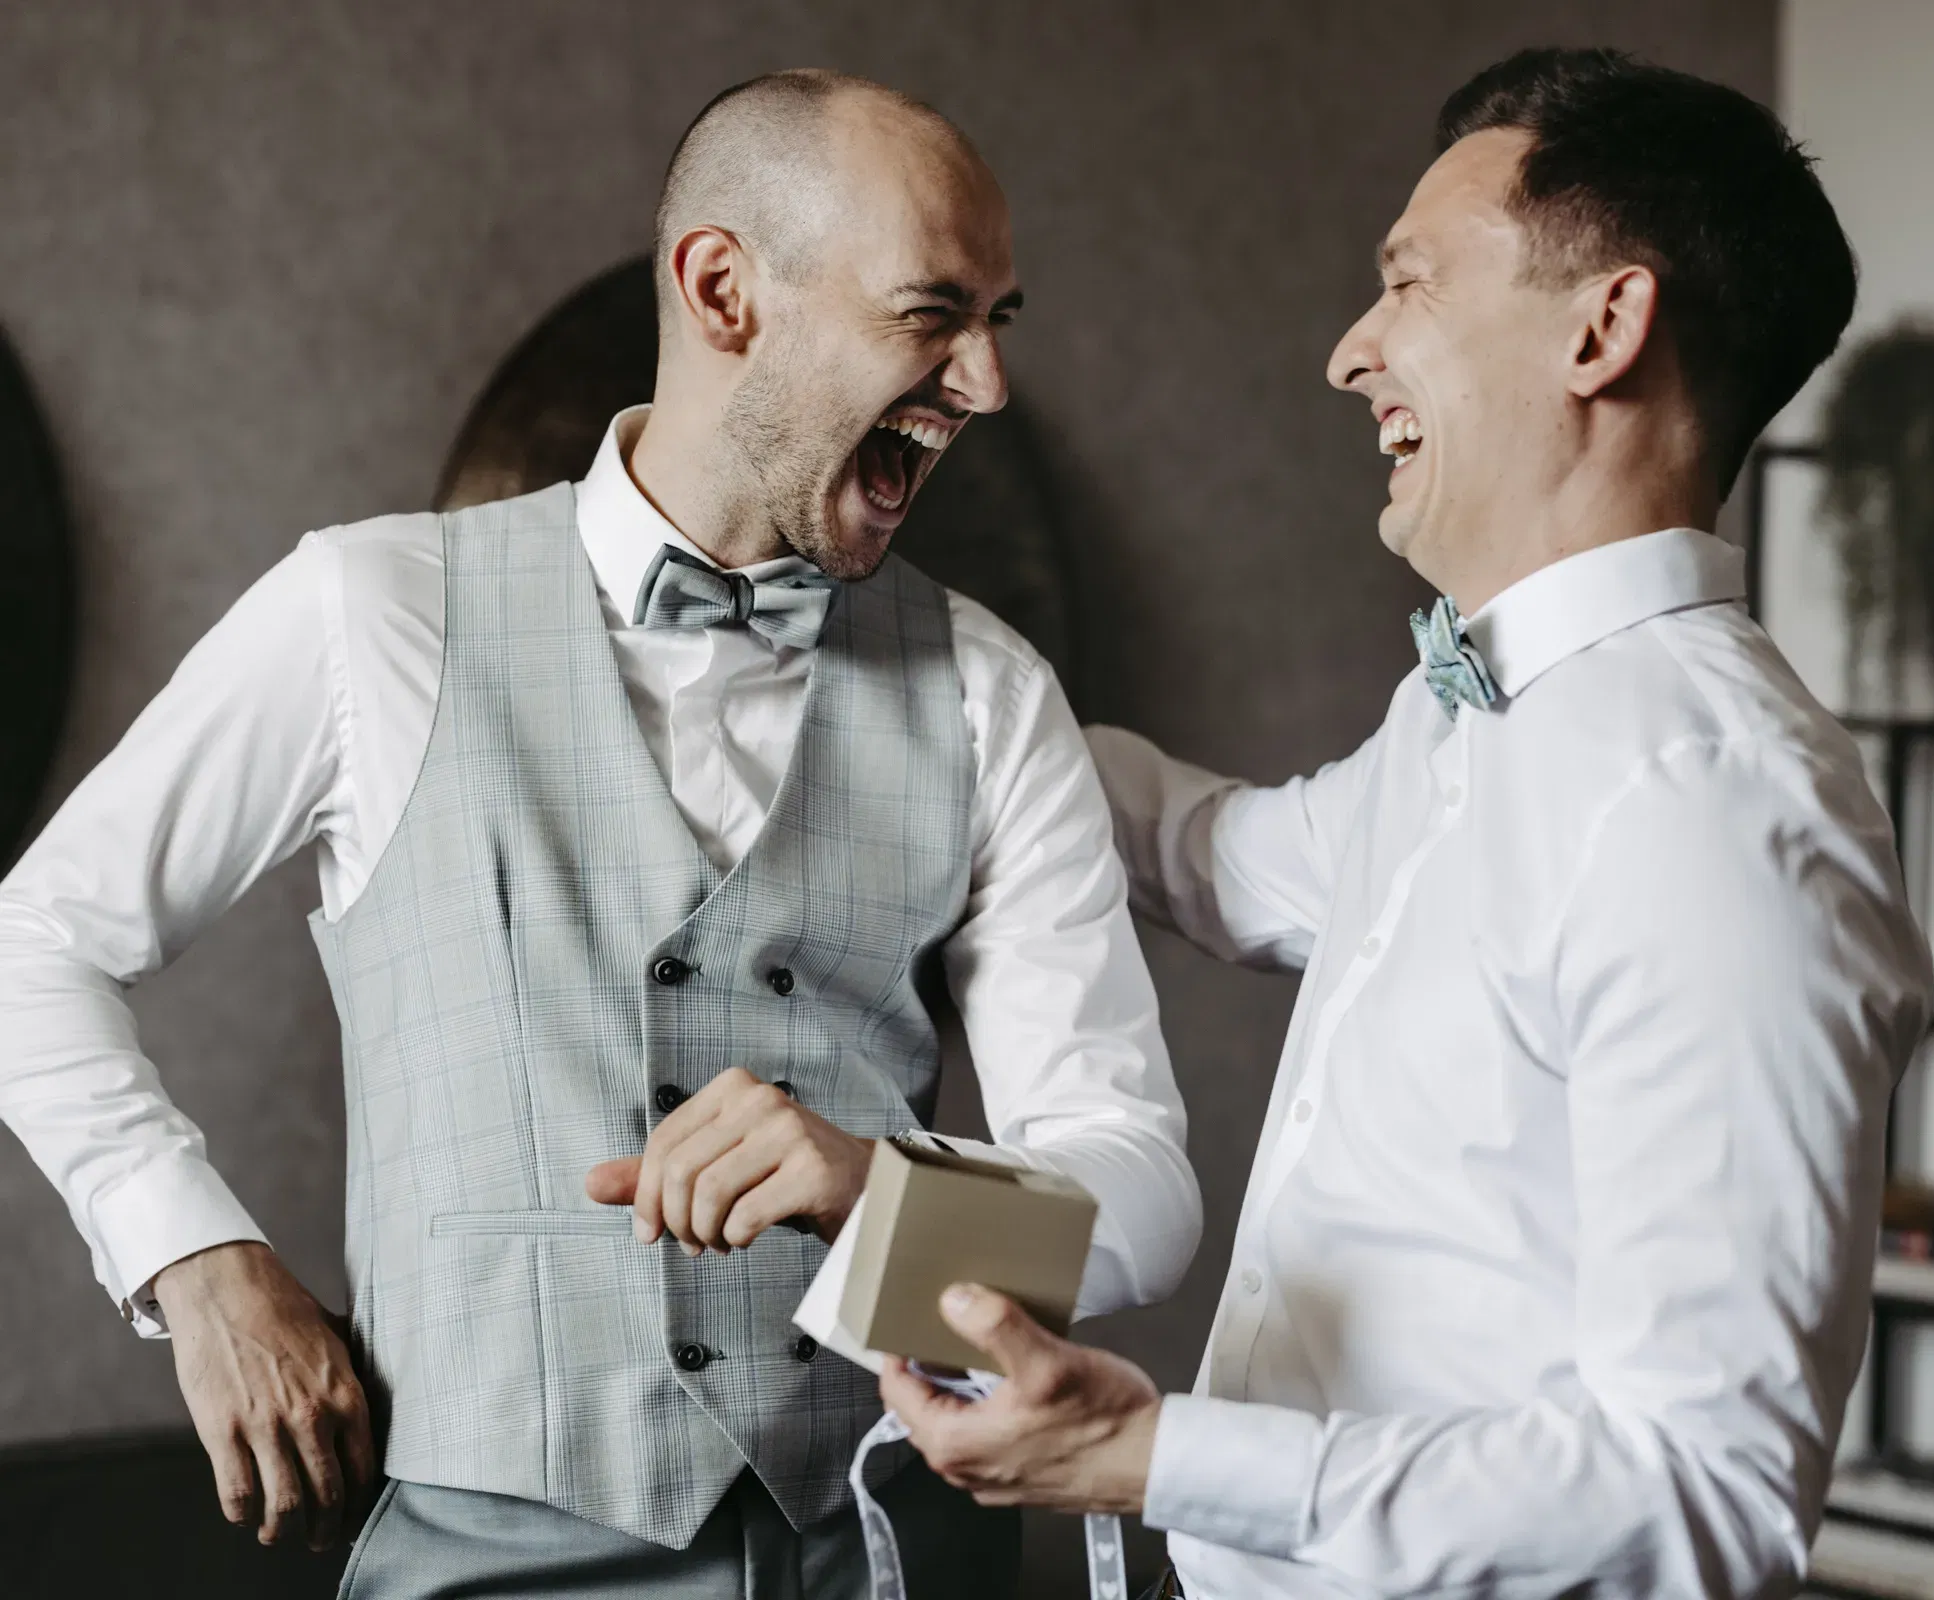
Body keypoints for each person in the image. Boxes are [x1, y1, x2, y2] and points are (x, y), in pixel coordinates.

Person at [0, 69, 1199, 1599]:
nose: (985, 384)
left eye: (997, 323)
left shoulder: (987, 690)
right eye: (929, 315)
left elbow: (1138, 1188)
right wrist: (198, 1262)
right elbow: (31, 941)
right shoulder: (372, 610)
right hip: (484, 1562)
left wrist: (875, 1186)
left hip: (898, 1548)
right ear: (722, 291)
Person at [871, 47, 1934, 1600]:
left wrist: (1156, 1458)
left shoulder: (1718, 816)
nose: (1350, 353)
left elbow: (1705, 1493)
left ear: (1604, 327)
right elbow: (1222, 861)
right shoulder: (1467, 709)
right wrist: (953, 705)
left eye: (1411, 285)